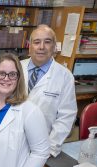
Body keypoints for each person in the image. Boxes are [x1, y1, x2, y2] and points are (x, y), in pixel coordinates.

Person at [21, 24, 77, 157]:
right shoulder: (16, 68)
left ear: (54, 47)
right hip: (11, 141)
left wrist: (50, 148)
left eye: (47, 42)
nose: (41, 47)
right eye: (36, 42)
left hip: (42, 146)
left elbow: (66, 117)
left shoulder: (65, 76)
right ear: (30, 46)